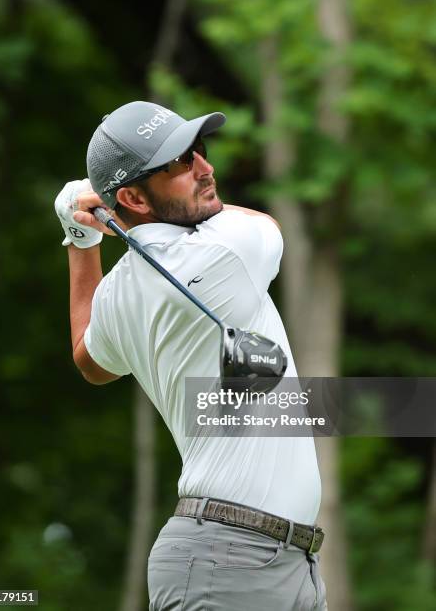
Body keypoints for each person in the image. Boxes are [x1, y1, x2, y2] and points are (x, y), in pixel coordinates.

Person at [55, 101, 328, 610]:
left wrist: (80, 240)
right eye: (180, 163)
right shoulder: (227, 250)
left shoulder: (119, 293)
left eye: (199, 150)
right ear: (133, 196)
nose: (206, 169)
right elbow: (264, 222)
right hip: (229, 562)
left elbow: (88, 359)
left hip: (278, 561)